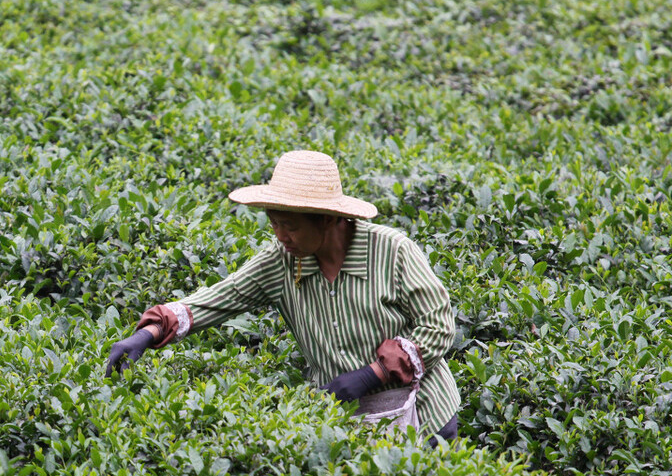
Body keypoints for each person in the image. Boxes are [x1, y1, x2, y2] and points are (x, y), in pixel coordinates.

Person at [105, 150, 461, 443]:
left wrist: (374, 373)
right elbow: (218, 298)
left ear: (327, 219)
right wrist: (146, 334)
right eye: (274, 223)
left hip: (426, 414)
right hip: (352, 422)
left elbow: (439, 325)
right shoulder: (281, 261)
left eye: (289, 226)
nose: (280, 236)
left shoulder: (392, 251)